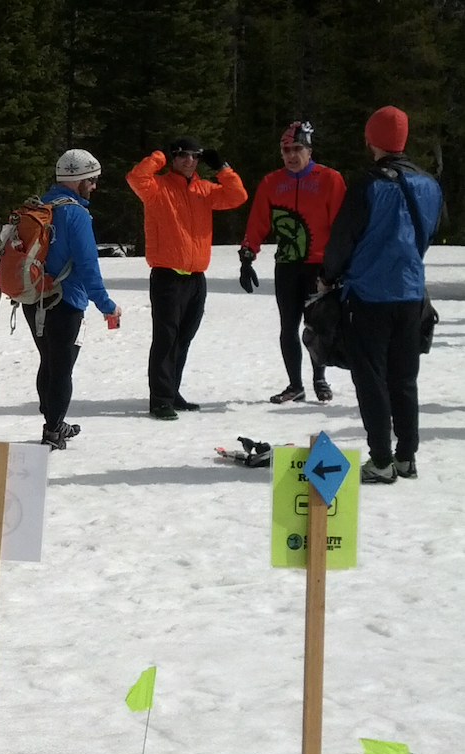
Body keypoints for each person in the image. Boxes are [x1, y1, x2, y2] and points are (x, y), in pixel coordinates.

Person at [321, 105, 441, 483]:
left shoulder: (368, 185)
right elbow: (432, 230)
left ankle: (382, 459)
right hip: (410, 292)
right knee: (404, 377)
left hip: (369, 294)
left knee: (370, 377)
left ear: (372, 138)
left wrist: (328, 276)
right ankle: (407, 456)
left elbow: (343, 237)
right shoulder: (429, 184)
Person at [126, 135, 247, 420]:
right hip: (167, 276)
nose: (188, 161)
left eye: (194, 156)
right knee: (166, 339)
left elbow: (237, 196)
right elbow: (135, 177)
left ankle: (173, 391)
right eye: (182, 155)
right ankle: (160, 399)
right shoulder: (156, 188)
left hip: (195, 277)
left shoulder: (204, 189)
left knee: (184, 338)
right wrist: (159, 156)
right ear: (173, 158)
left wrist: (223, 168)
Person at [239, 121, 346, 404]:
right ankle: (295, 385)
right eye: (286, 149)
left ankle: (319, 379)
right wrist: (247, 255)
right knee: (288, 326)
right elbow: (258, 222)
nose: (291, 155)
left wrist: (340, 264)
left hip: (320, 266)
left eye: (297, 148)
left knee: (318, 325)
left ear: (309, 150)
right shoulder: (271, 183)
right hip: (287, 265)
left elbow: (341, 226)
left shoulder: (330, 179)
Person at [21, 149, 121, 450]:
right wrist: (107, 306)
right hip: (66, 302)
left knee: (49, 362)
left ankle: (53, 420)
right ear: (77, 179)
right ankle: (53, 429)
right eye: (90, 180)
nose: (94, 186)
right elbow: (88, 266)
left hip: (33, 298)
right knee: (62, 367)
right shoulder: (75, 213)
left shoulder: (41, 205)